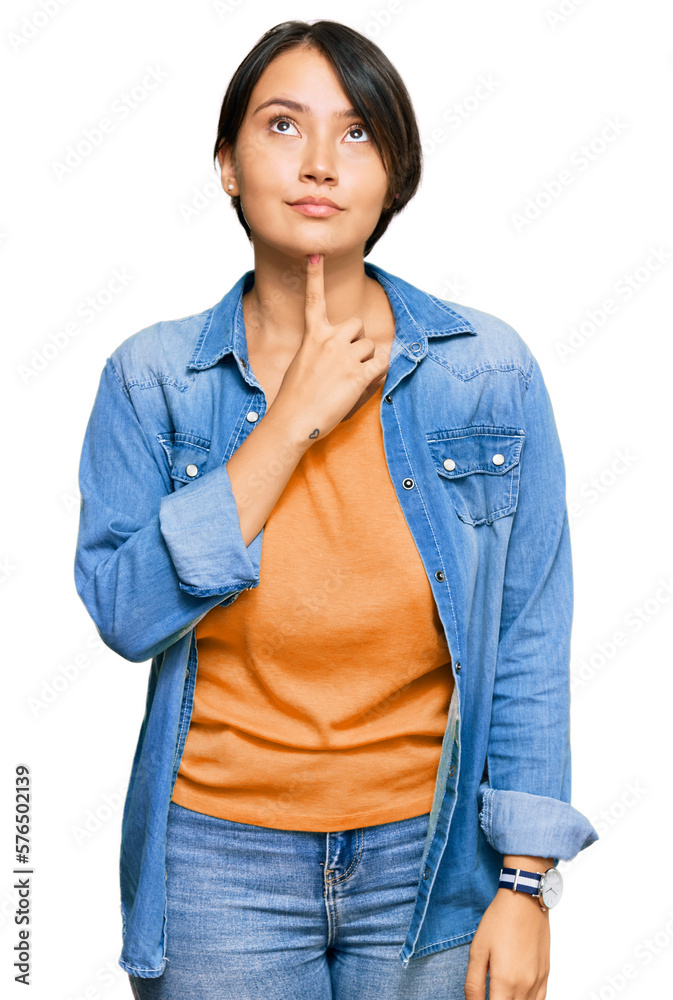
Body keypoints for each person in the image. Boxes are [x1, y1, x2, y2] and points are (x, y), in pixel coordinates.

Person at [73, 19, 599, 1000]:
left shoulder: (484, 371)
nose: (319, 161)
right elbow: (124, 612)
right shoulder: (151, 379)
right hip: (215, 861)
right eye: (282, 125)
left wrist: (526, 880)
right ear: (226, 163)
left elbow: (529, 632)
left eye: (356, 133)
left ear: (394, 174)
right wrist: (289, 425)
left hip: (433, 860)